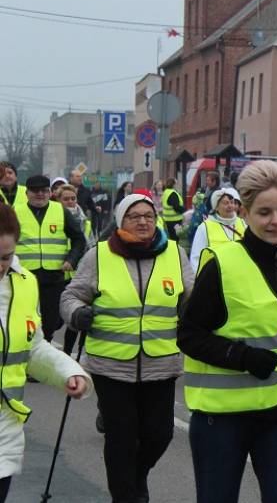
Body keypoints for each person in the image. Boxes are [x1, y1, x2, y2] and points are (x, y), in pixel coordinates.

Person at [178, 160, 277, 503]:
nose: (276, 221)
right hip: (221, 417)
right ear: (246, 213)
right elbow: (189, 335)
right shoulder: (221, 263)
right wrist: (242, 356)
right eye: (264, 212)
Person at [60, 193, 194, 503]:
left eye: (149, 215)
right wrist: (78, 313)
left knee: (159, 436)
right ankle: (127, 496)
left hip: (161, 364)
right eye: (135, 216)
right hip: (110, 365)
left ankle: (136, 476)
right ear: (121, 221)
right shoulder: (99, 256)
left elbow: (193, 300)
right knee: (120, 439)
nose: (143, 221)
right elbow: (71, 297)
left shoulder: (175, 254)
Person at [0, 203, 90, 502]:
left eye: (5, 256)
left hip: (4, 431)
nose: (1, 265)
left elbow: (32, 346)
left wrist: (68, 372)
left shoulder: (24, 284)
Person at [14, 175, 87, 344]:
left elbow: (79, 239)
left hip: (53, 277)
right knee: (24, 319)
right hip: (24, 276)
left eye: (44, 191)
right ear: (27, 193)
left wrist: (71, 259)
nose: (40, 194)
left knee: (50, 322)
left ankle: (45, 345)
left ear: (50, 193)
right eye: (35, 191)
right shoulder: (16, 212)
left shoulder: (60, 211)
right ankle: (25, 351)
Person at [55, 184, 92, 354]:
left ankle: (68, 354)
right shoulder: (54, 218)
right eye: (66, 199)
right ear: (58, 200)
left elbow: (90, 245)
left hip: (79, 276)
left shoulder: (86, 221)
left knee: (74, 316)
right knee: (55, 320)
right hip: (58, 274)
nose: (70, 202)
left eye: (73, 198)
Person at [188, 187, 245, 271]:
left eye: (232, 202)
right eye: (225, 203)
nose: (230, 206)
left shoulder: (243, 223)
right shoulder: (205, 227)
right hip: (215, 279)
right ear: (216, 207)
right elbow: (196, 258)